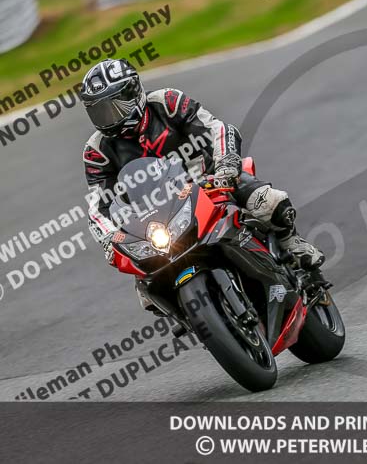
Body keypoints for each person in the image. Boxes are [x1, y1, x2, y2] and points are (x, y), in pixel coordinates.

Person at [80, 58, 326, 312]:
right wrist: (109, 238)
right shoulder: (97, 150)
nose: (107, 118)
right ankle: (194, 315)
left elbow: (216, 128)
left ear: (133, 92)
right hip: (154, 214)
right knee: (145, 289)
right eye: (98, 111)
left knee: (268, 202)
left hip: (210, 181)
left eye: (113, 107)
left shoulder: (168, 103)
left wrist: (226, 164)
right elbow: (99, 205)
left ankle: (290, 242)